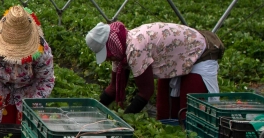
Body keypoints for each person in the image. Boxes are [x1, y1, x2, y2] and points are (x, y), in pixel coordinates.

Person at [85, 21, 224, 119]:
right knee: (165, 113)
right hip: (173, 61)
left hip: (198, 52)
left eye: (107, 54)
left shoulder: (135, 49)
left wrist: (124, 120)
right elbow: (113, 87)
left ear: (111, 45)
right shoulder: (120, 54)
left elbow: (146, 92)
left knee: (188, 113)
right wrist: (92, 110)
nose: (109, 59)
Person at [0, 7, 55, 125]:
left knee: (25, 134)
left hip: (29, 92)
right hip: (0, 89)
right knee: (3, 131)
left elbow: (47, 80)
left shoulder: (41, 50)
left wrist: (31, 105)